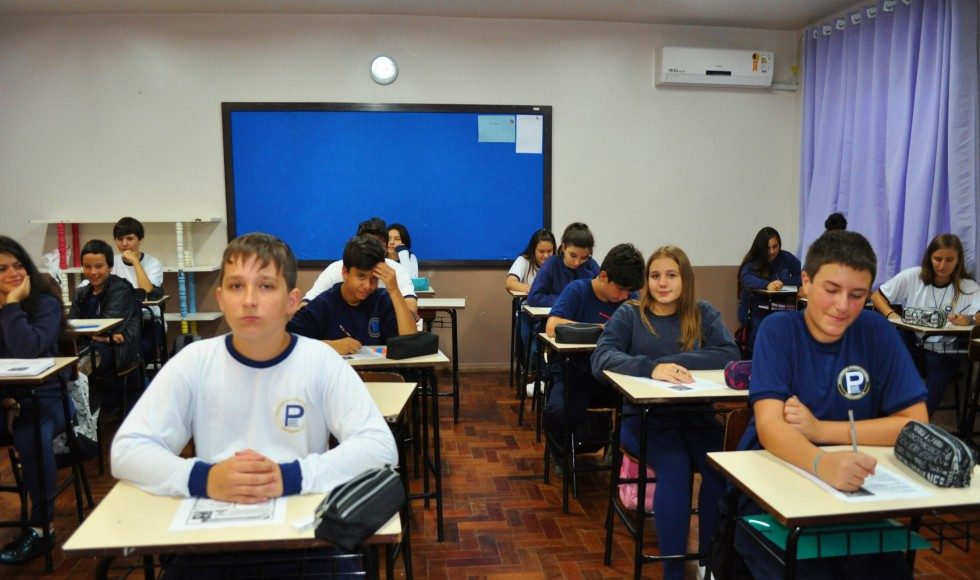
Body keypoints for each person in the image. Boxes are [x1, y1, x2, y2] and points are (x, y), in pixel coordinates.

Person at [111, 232, 398, 577]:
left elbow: (380, 447)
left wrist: (289, 476)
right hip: (215, 536)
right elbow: (127, 450)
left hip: (306, 537)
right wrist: (204, 478)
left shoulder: (321, 361)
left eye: (265, 286)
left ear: (292, 301)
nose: (249, 300)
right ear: (221, 298)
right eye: (236, 286)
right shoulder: (194, 362)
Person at [733, 230, 927, 579]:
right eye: (832, 290)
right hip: (775, 491)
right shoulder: (778, 331)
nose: (842, 306)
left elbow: (914, 425)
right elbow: (770, 425)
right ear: (806, 282)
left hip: (852, 492)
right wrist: (821, 462)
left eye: (857, 295)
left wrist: (820, 430)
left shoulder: (877, 331)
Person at [591, 245, 738, 580]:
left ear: (685, 278)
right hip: (644, 420)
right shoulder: (630, 314)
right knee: (675, 465)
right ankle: (673, 570)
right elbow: (601, 358)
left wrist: (674, 362)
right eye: (655, 275)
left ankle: (710, 562)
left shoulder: (702, 312)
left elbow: (729, 354)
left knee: (723, 465)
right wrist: (650, 368)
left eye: (671, 275)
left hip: (697, 418)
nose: (662, 282)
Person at [543, 243, 644, 471]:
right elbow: (552, 325)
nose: (625, 296)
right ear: (604, 276)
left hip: (614, 375)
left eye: (629, 291)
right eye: (621, 289)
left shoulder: (630, 297)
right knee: (558, 410)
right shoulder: (577, 291)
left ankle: (618, 448)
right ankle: (559, 454)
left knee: (642, 406)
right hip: (576, 371)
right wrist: (602, 329)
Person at [0, 236, 69, 564]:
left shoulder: (45, 304)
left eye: (18, 266)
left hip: (46, 396)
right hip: (6, 401)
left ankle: (43, 528)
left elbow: (27, 350)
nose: (12, 274)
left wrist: (12, 305)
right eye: (2, 269)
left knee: (32, 436)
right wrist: (6, 402)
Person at [869, 233, 980, 415]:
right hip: (912, 345)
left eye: (949, 260)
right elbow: (876, 296)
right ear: (929, 257)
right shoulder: (913, 276)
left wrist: (969, 319)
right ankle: (888, 413)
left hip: (943, 351)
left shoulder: (968, 286)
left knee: (938, 361)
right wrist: (893, 316)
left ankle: (920, 419)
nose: (942, 265)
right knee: (899, 338)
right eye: (938, 259)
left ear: (958, 260)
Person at [287, 236, 417, 355]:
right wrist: (330, 346)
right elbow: (286, 341)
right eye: (361, 276)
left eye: (374, 278)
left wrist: (394, 290)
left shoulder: (382, 300)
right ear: (345, 272)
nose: (367, 285)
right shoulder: (324, 304)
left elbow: (410, 343)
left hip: (381, 371)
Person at [68, 239, 142, 413]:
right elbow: (70, 327)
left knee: (77, 370)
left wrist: (101, 336)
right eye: (87, 267)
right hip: (93, 345)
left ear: (109, 266)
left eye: (99, 266)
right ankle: (75, 416)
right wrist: (102, 337)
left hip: (118, 350)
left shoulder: (120, 289)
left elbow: (108, 328)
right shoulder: (81, 293)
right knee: (61, 359)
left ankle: (84, 416)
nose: (93, 272)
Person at [303, 217, 418, 319]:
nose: (373, 251)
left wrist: (394, 289)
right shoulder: (338, 268)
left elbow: (411, 310)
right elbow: (305, 306)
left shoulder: (396, 270)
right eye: (368, 245)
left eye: (379, 246)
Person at [736, 226, 802, 355]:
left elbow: (802, 276)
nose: (772, 251)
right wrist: (767, 284)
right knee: (764, 328)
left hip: (784, 306)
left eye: (775, 246)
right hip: (759, 308)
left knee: (795, 326)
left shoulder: (786, 257)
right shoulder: (753, 262)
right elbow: (746, 278)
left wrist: (784, 282)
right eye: (768, 248)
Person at [111, 217, 165, 365]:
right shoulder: (110, 262)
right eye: (119, 239)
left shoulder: (153, 264)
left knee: (140, 350)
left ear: (140, 240)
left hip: (148, 320)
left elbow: (147, 293)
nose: (124, 244)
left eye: (129, 239)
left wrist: (135, 261)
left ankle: (139, 377)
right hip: (118, 322)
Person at [527, 222, 600, 307]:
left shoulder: (591, 265)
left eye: (584, 257)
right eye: (573, 255)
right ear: (564, 248)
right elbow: (534, 298)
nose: (577, 262)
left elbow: (604, 294)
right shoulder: (551, 264)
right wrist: (570, 300)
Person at [505, 229, 556, 294]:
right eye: (541, 251)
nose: (546, 255)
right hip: (527, 299)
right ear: (533, 250)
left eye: (549, 251)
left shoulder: (557, 263)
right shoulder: (523, 261)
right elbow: (509, 283)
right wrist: (531, 289)